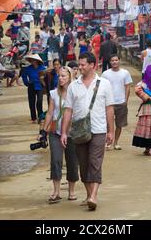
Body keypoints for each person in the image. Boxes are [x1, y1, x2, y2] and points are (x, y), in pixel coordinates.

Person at [61, 52, 114, 211]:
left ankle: (93, 196)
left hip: (98, 129)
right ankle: (89, 194)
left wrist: (111, 131)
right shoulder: (73, 86)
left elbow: (109, 109)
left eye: (83, 64)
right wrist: (64, 132)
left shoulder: (104, 84)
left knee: (94, 162)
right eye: (79, 64)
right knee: (83, 165)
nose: (80, 67)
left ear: (93, 65)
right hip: (78, 132)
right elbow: (68, 110)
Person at [41, 66, 79, 203]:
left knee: (72, 162)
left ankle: (72, 191)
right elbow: (50, 113)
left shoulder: (75, 93)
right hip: (55, 132)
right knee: (56, 160)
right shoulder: (53, 93)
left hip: (72, 133)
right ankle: (56, 191)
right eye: (60, 76)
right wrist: (43, 130)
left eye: (64, 76)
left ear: (70, 77)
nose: (61, 78)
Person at [102, 54, 132, 150]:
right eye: (112, 60)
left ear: (119, 61)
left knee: (120, 124)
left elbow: (127, 87)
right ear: (110, 62)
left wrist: (125, 101)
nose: (114, 62)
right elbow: (102, 88)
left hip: (121, 102)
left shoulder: (125, 73)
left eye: (116, 60)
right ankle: (108, 142)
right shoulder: (105, 74)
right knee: (107, 123)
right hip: (108, 103)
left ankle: (116, 142)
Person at [22, 54, 46, 123]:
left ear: (37, 61)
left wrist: (45, 85)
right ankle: (34, 118)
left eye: (34, 60)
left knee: (39, 101)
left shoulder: (42, 68)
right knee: (31, 102)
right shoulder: (28, 68)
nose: (33, 61)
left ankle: (40, 116)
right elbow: (24, 75)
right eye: (32, 60)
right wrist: (26, 83)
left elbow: (46, 76)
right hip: (31, 86)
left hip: (39, 86)